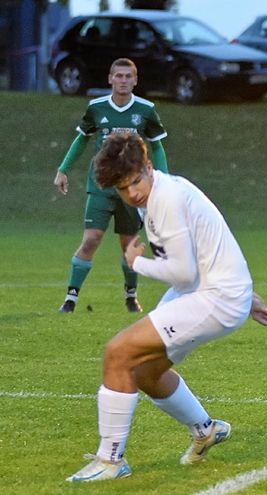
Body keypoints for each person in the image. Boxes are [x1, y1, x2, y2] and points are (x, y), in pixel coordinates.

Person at [66, 132, 267, 482]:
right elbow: (212, 241)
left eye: (136, 180)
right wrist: (248, 294)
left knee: (118, 352)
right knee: (145, 371)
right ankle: (205, 429)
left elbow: (182, 270)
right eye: (122, 187)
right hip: (215, 292)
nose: (132, 192)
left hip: (214, 297)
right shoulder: (164, 193)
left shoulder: (166, 199)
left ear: (148, 166)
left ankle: (110, 461)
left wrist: (136, 262)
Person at [54, 58, 169, 313]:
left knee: (129, 245)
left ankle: (131, 295)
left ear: (135, 80)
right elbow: (81, 140)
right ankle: (70, 299)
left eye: (129, 76)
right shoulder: (96, 108)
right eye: (119, 76)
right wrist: (63, 170)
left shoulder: (146, 109)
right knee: (91, 238)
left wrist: (165, 181)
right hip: (101, 185)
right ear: (110, 79)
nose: (123, 80)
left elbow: (157, 146)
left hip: (133, 189)